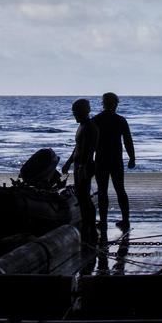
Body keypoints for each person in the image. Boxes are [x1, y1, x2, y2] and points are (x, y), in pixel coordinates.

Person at [92, 92, 136, 231]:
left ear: (103, 104)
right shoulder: (120, 120)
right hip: (116, 159)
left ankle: (103, 221)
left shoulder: (96, 120)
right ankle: (125, 220)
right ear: (115, 104)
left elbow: (90, 143)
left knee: (102, 191)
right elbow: (128, 141)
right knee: (120, 190)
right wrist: (132, 157)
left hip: (101, 159)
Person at [63, 99, 99, 238]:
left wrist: (83, 166)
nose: (74, 115)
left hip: (86, 165)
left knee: (84, 197)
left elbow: (89, 150)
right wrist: (69, 162)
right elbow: (77, 147)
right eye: (73, 112)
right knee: (81, 196)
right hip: (79, 165)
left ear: (83, 112)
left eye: (76, 113)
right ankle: (87, 224)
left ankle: (89, 225)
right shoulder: (82, 126)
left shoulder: (91, 127)